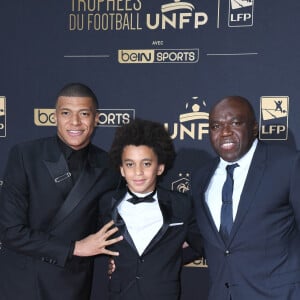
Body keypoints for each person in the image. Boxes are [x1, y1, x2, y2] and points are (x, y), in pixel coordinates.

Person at [0, 83, 123, 300]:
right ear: (55, 116)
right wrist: (74, 247)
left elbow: (111, 224)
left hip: (72, 284)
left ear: (96, 118)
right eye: (66, 113)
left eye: (84, 114)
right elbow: (11, 231)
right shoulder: (25, 155)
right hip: (24, 283)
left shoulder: (110, 166)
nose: (75, 122)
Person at [191, 95, 300, 300]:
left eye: (235, 122)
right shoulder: (201, 177)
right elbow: (204, 240)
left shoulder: (288, 165)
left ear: (254, 128)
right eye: (216, 126)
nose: (225, 132)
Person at [98, 118, 203, 300]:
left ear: (160, 167)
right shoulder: (107, 202)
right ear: (122, 169)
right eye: (130, 164)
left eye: (146, 164)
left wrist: (170, 259)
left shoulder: (181, 205)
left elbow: (201, 244)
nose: (138, 172)